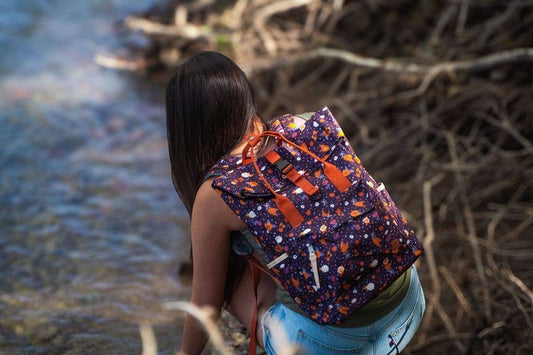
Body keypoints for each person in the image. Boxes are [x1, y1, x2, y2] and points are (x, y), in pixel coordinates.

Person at [166, 51, 426, 355]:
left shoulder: (217, 192)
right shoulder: (304, 124)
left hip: (334, 344)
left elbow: (205, 306)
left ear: (186, 130)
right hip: (408, 303)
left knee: (230, 280)